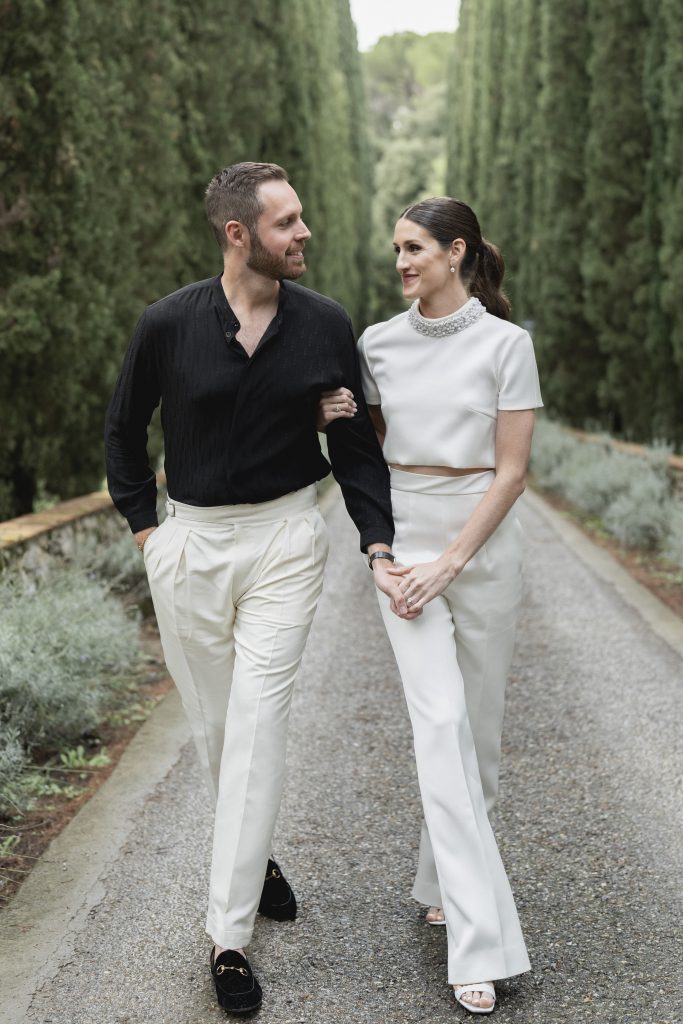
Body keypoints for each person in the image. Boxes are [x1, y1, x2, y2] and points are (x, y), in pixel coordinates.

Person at [104, 161, 408, 1016]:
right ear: (238, 235)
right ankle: (255, 855)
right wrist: (149, 535)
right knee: (213, 728)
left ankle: (226, 935)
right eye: (286, 223)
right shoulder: (167, 324)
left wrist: (375, 539)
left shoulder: (323, 325)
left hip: (282, 538)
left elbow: (353, 446)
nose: (303, 233)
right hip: (190, 545)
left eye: (302, 218)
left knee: (259, 720)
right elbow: (124, 432)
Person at [318, 196, 542, 1014]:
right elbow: (367, 457)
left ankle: (438, 875)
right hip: (405, 552)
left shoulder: (506, 346)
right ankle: (477, 945)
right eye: (395, 250)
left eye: (414, 248)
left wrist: (455, 561)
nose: (401, 261)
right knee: (439, 724)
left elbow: (511, 473)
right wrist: (326, 418)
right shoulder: (376, 343)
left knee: (476, 741)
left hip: (481, 549)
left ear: (456, 253)